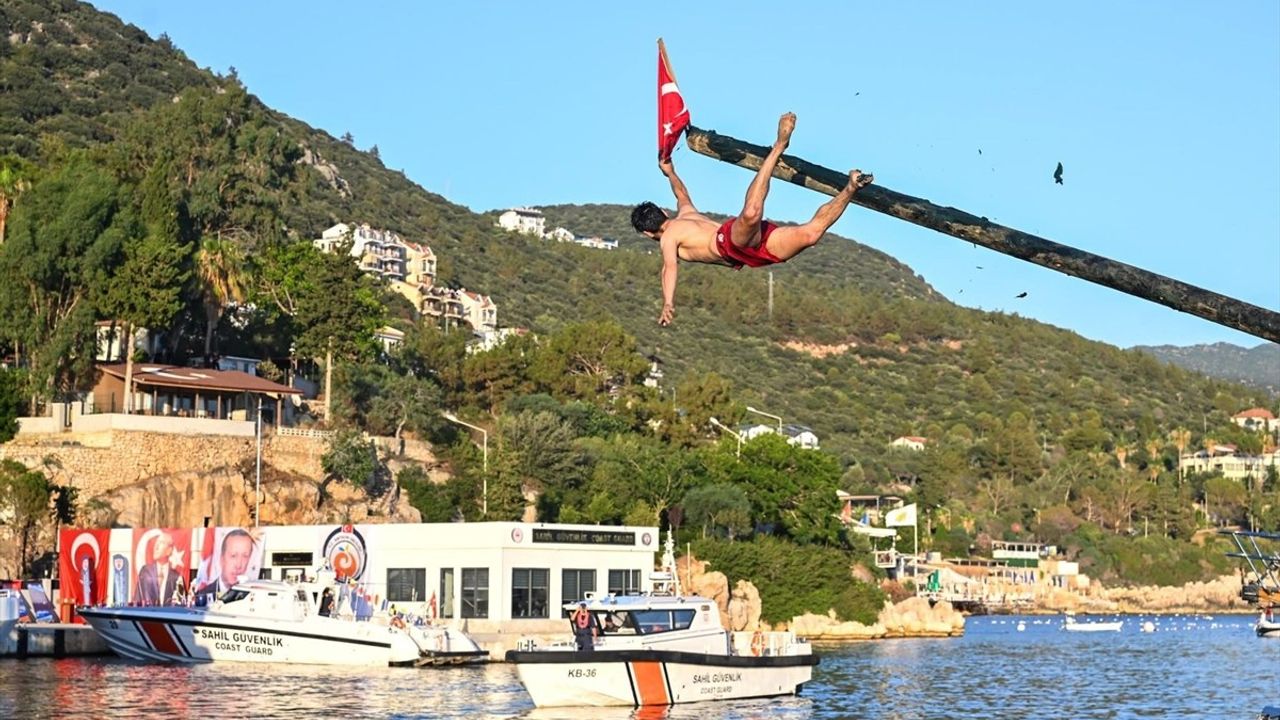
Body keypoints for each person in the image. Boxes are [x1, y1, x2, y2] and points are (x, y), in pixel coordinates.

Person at [631, 112, 873, 326]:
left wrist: (668, 303)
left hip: (734, 241)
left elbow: (669, 266)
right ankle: (850, 188)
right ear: (663, 212)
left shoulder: (674, 229)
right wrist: (670, 171)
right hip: (742, 250)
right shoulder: (682, 218)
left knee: (755, 215)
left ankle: (781, 147)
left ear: (647, 233)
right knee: (809, 235)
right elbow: (679, 198)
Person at [194, 529, 256, 603]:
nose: (239, 565)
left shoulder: (253, 595)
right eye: (233, 556)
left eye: (245, 556)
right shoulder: (204, 594)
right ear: (221, 559)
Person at [135, 533, 179, 606]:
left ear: (169, 550)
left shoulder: (176, 577)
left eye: (161, 543)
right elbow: (137, 600)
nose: (156, 546)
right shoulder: (145, 572)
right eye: (156, 543)